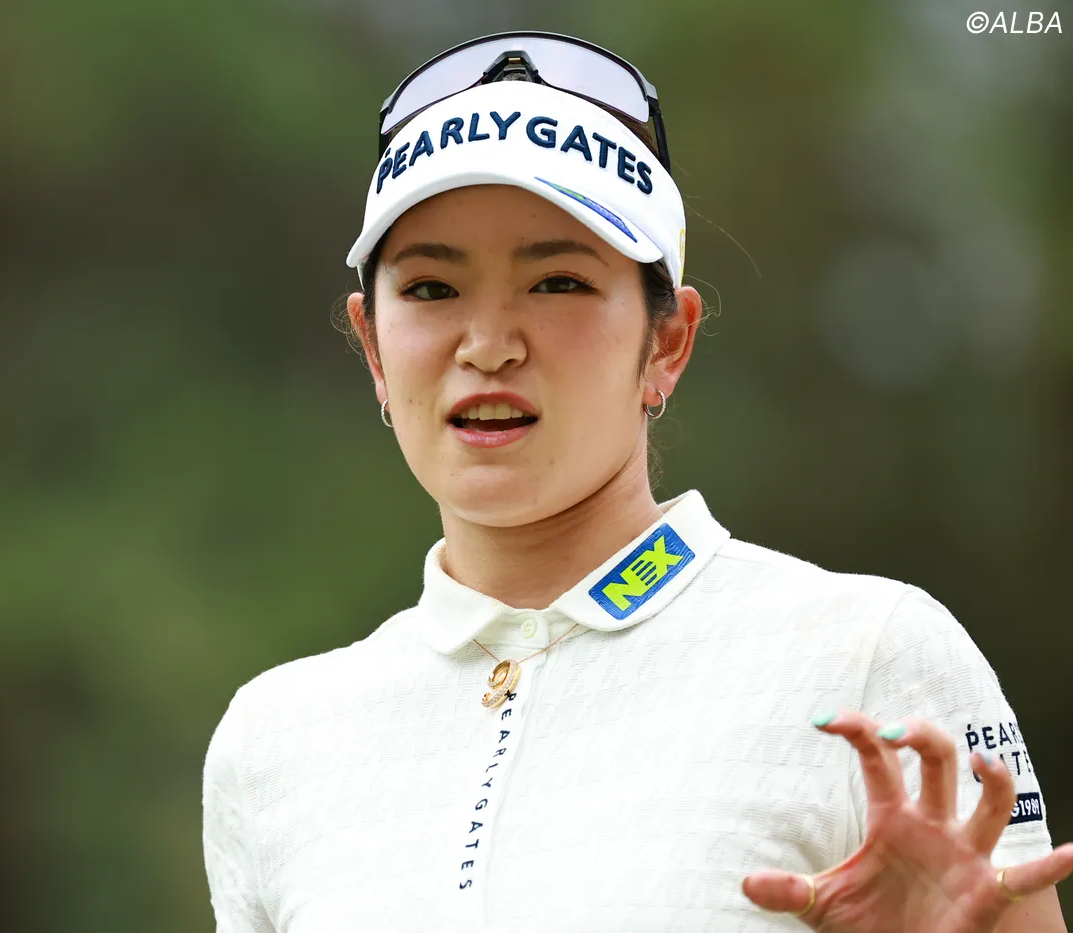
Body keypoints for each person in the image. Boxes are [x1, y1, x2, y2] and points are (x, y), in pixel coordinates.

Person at [201, 31, 1072, 931]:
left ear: (667, 342)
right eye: (430, 289)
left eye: (558, 282)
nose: (488, 345)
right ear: (374, 348)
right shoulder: (274, 741)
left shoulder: (869, 654)